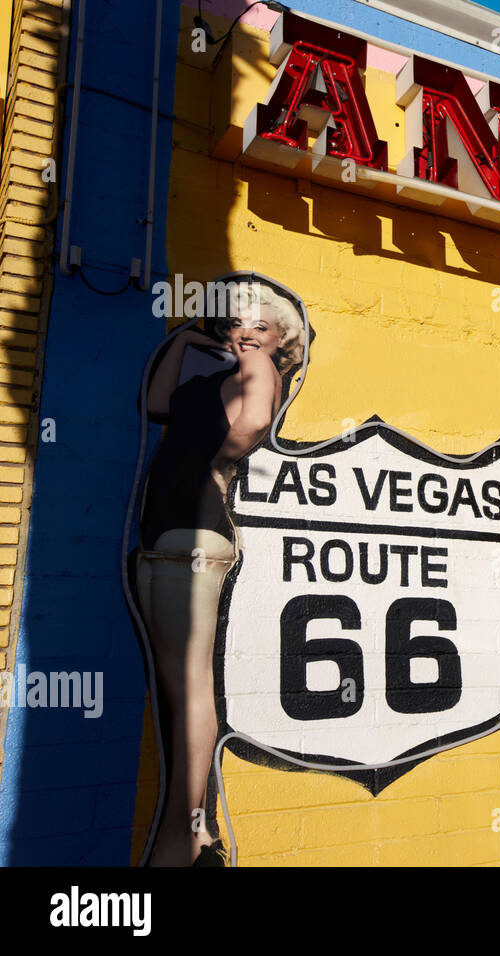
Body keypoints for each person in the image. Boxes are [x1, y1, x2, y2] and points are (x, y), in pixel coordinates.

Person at [134, 280, 305, 866]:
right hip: (163, 533)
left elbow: (255, 418)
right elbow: (157, 405)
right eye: (239, 324)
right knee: (179, 693)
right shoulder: (209, 381)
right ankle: (197, 833)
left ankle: (183, 836)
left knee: (192, 689)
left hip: (196, 533)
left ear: (283, 338)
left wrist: (216, 459)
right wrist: (186, 335)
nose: (247, 332)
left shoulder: (260, 369)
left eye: (262, 326)